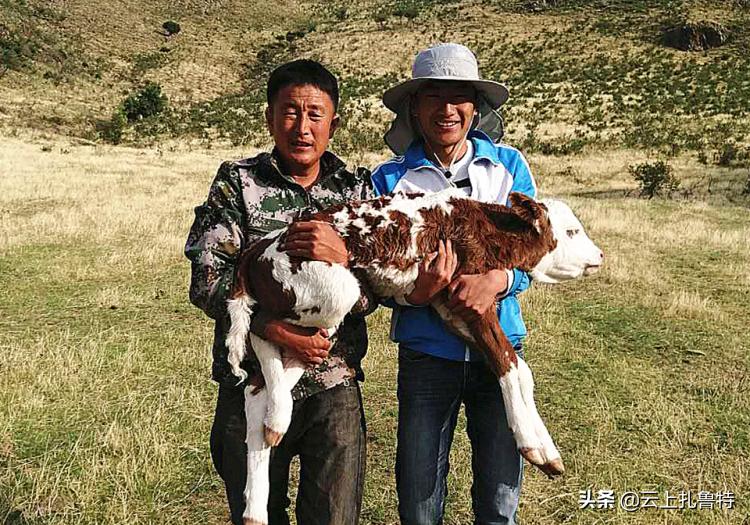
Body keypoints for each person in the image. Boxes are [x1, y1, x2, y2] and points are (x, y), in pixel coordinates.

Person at [185, 59, 374, 525]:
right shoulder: (237, 181)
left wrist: (345, 259)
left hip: (333, 384)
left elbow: (373, 291)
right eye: (290, 112)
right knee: (255, 516)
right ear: (270, 117)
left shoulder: (356, 189)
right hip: (250, 381)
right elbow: (208, 280)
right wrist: (273, 329)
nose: (302, 127)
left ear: (335, 122)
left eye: (315, 114)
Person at [370, 43, 538, 525]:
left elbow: (533, 250)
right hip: (426, 356)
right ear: (415, 108)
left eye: (459, 97)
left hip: (501, 350)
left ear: (476, 107)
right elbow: (374, 272)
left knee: (500, 495)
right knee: (419, 497)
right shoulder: (390, 180)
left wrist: (500, 280)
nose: (447, 110)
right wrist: (414, 294)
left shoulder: (509, 167)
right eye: (433, 98)